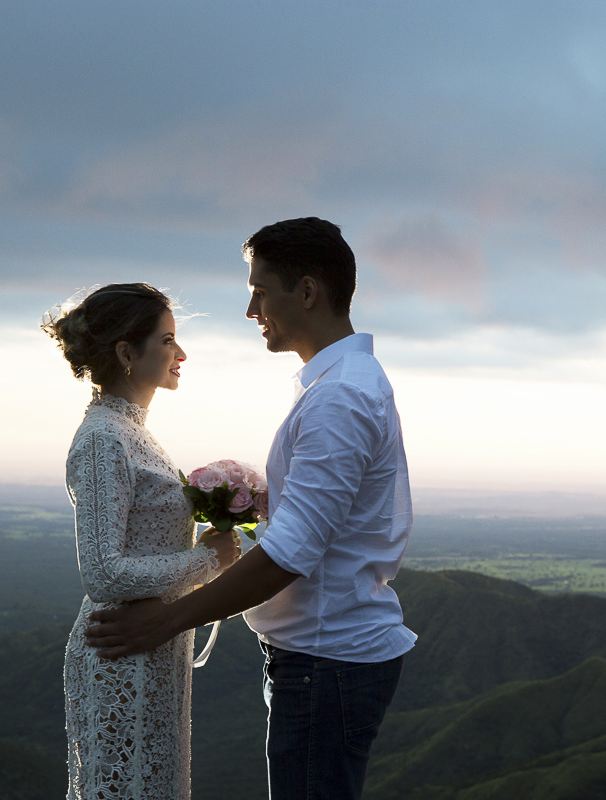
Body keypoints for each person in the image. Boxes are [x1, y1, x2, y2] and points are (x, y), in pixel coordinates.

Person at [84, 218, 415, 800]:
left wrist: (167, 620)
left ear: (307, 292)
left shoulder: (340, 396)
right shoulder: (336, 384)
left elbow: (290, 554)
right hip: (319, 660)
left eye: (259, 291)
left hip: (325, 661)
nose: (250, 310)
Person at [43, 283, 242, 800]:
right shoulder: (103, 439)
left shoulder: (131, 432)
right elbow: (104, 573)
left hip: (152, 651)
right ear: (127, 353)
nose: (181, 354)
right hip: (120, 656)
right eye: (168, 340)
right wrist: (207, 560)